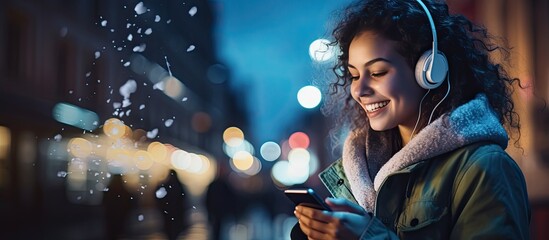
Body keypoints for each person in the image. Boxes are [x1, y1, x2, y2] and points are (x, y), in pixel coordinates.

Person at [292, 0, 531, 239]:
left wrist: (367, 236)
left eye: (377, 73)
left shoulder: (484, 167)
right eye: (354, 75)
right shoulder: (361, 172)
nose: (359, 90)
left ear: (430, 71)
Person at [155, 169, 191, 240]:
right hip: (177, 213)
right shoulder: (179, 186)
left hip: (168, 212)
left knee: (169, 230)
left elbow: (158, 196)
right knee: (175, 230)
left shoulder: (166, 185)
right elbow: (184, 200)